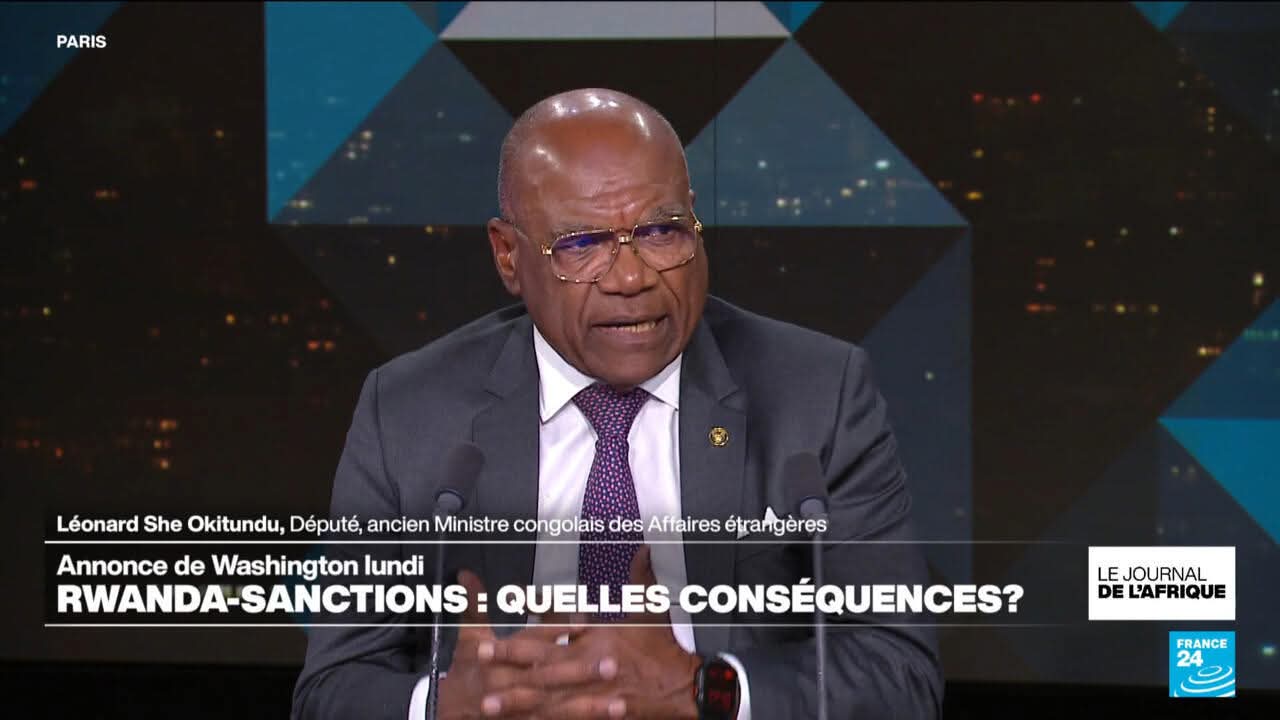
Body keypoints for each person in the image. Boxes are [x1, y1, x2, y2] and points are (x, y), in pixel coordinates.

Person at [293, 88, 942, 719]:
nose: (631, 278)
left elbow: (900, 674)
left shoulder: (817, 393)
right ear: (509, 256)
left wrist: (706, 691)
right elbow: (333, 687)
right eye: (581, 244)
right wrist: (443, 707)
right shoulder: (409, 412)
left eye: (661, 231)